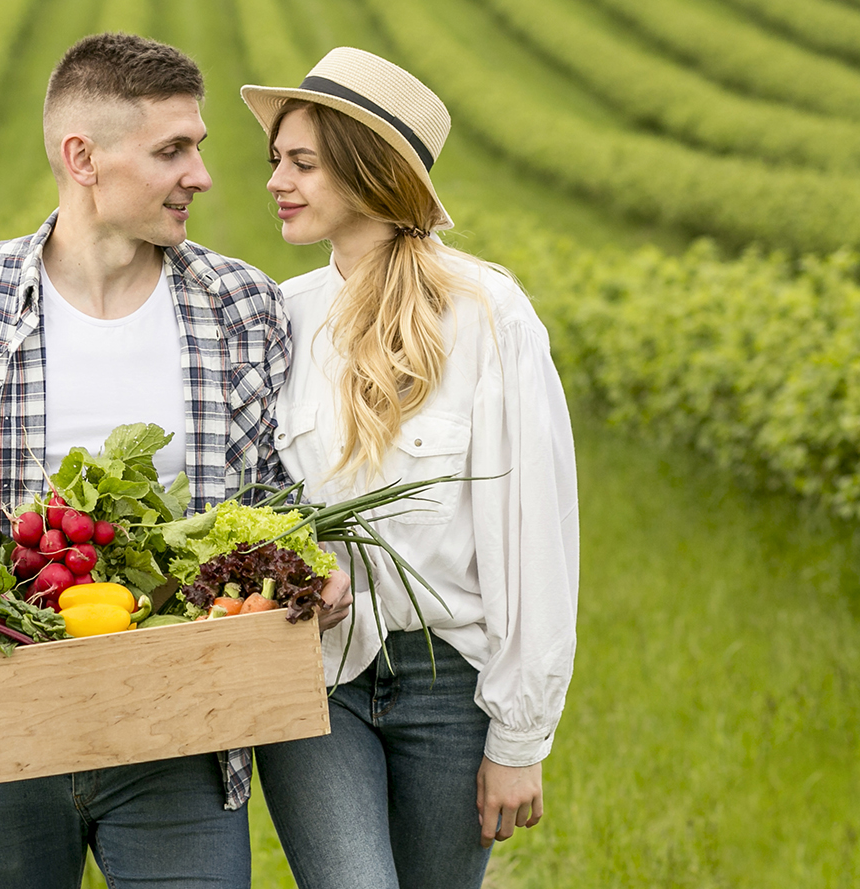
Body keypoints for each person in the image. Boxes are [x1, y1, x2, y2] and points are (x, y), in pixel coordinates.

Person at [0, 33, 310, 888]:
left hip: (181, 728)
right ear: (82, 157)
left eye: (198, 147)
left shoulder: (243, 307)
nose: (200, 175)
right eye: (172, 150)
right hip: (0, 727)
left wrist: (290, 569)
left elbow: (281, 497)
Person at [242, 47, 580, 889]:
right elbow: (254, 498)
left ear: (366, 173)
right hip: (317, 675)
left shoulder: (486, 313)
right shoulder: (284, 316)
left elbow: (533, 531)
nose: (277, 180)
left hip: (448, 685)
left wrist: (519, 738)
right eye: (275, 160)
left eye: (303, 162)